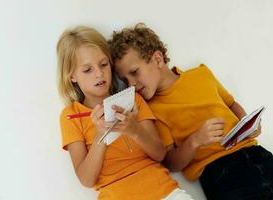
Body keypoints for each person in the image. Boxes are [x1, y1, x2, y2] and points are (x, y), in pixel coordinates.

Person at [108, 23, 273, 200]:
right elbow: (170, 162)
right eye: (125, 80)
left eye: (134, 72)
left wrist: (249, 125)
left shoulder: (201, 74)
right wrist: (195, 141)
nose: (131, 84)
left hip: (257, 152)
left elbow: (231, 103)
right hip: (220, 172)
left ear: (158, 59)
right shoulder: (151, 109)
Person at [56, 26, 194, 200]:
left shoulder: (133, 99)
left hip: (164, 191)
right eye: (87, 70)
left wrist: (134, 130)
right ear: (72, 77)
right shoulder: (70, 116)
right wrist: (101, 135)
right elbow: (86, 179)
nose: (99, 74)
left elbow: (160, 154)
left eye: (103, 64)